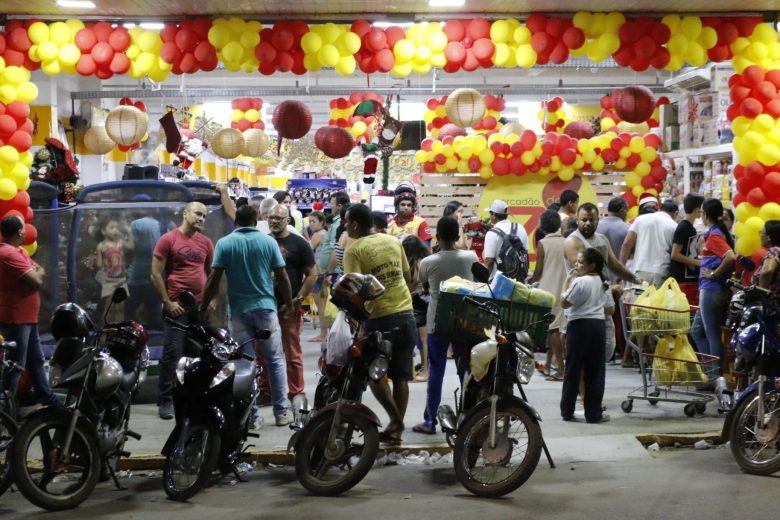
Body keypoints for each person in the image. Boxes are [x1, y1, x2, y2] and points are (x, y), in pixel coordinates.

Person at [201, 204, 295, 426]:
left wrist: (203, 306)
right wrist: (290, 303)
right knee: (275, 361)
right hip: (265, 308)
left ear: (236, 222)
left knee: (244, 364)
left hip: (239, 312)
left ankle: (251, 416)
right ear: (256, 220)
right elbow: (282, 277)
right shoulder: (268, 242)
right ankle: (281, 412)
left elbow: (213, 279)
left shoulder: (225, 243)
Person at [343, 203, 417, 445]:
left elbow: (353, 290)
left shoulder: (354, 249)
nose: (345, 226)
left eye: (347, 222)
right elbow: (407, 278)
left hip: (380, 318)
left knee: (374, 375)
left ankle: (395, 420)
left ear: (354, 224)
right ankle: (395, 432)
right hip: (406, 314)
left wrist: (356, 321)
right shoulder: (393, 241)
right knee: (401, 375)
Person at [412, 216, 478, 435]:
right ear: (458, 237)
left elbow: (422, 285)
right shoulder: (470, 257)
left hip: (436, 324)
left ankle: (430, 421)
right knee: (464, 371)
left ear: (437, 238)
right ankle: (467, 417)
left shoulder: (429, 262)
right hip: (463, 322)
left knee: (436, 370)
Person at [151, 201, 215, 420]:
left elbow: (211, 273)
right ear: (185, 214)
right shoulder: (168, 239)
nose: (201, 219)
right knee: (172, 354)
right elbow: (155, 273)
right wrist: (168, 302)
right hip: (176, 306)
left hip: (198, 306)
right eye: (198, 214)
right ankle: (166, 400)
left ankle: (193, 397)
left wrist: (211, 298)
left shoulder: (206, 243)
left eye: (204, 216)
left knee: (197, 355)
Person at [564, 203, 638, 366]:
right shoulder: (572, 242)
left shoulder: (602, 239)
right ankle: (581, 388)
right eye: (584, 220)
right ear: (577, 220)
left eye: (591, 220)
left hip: (602, 304)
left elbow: (615, 265)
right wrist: (610, 287)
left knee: (604, 351)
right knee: (581, 357)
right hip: (581, 306)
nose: (588, 223)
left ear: (598, 220)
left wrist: (635, 279)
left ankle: (591, 387)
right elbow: (584, 271)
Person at [0, 215, 58, 410]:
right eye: (24, 228)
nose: (26, 231)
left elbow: (38, 270)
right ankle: (8, 409)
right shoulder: (9, 254)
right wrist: (37, 272)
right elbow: (38, 280)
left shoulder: (19, 252)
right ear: (18, 232)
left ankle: (46, 396)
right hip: (17, 319)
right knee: (16, 365)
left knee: (36, 360)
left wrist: (36, 271)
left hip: (27, 318)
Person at [268, 205, 316, 414]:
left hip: (290, 308)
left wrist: (298, 298)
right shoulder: (264, 241)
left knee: (292, 352)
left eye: (278, 218)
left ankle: (296, 391)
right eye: (271, 218)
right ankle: (266, 391)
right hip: (266, 306)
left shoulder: (300, 244)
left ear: (288, 220)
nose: (274, 221)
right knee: (266, 352)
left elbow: (313, 274)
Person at [559, 248, 615, 424]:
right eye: (577, 261)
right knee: (596, 370)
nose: (577, 265)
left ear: (592, 265)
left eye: (581, 262)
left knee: (573, 368)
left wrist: (567, 281)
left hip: (578, 326)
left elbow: (564, 303)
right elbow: (610, 309)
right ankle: (593, 413)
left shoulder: (580, 282)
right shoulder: (603, 282)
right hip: (597, 326)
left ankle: (567, 411)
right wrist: (594, 305)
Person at [690, 198, 736, 372]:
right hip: (712, 289)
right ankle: (711, 374)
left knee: (711, 334)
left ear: (706, 214)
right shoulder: (716, 233)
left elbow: (730, 257)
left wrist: (713, 273)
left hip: (711, 290)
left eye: (702, 212)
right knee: (697, 332)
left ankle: (716, 376)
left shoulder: (715, 235)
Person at [531, 210, 566, 381]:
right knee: (554, 328)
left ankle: (561, 369)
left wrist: (529, 280)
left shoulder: (543, 244)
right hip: (563, 288)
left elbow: (538, 272)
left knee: (552, 330)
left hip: (548, 290)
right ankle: (547, 364)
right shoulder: (567, 242)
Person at [619, 197, 678, 288]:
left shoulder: (641, 219)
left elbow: (627, 244)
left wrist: (621, 269)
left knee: (638, 301)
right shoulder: (674, 226)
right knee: (656, 301)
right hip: (661, 272)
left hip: (640, 269)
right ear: (675, 214)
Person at [124, 208, 162, 329]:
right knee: (154, 312)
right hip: (156, 277)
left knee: (129, 311)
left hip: (137, 276)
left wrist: (119, 241)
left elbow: (130, 247)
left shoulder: (135, 224)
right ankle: (156, 340)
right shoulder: (160, 225)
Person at [402, 235, 431, 382]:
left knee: (419, 339)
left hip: (414, 301)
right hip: (425, 300)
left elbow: (409, 284)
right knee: (423, 339)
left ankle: (424, 371)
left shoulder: (411, 263)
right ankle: (425, 368)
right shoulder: (425, 260)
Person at [670, 193, 705, 304]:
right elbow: (675, 254)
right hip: (682, 279)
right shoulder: (683, 227)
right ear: (697, 210)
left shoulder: (690, 228)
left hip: (689, 278)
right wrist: (696, 262)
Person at [482, 199, 529, 275]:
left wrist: (484, 280)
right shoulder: (521, 228)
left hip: (499, 280)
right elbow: (525, 252)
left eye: (490, 214)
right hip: (519, 279)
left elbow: (489, 261)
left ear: (494, 216)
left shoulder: (492, 233)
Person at [95, 218, 129, 323]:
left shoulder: (120, 243)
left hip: (121, 280)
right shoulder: (101, 246)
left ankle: (118, 331)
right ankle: (106, 332)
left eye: (116, 227)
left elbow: (131, 246)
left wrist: (129, 232)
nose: (115, 230)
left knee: (120, 308)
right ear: (103, 231)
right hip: (109, 281)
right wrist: (97, 260)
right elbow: (99, 264)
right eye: (112, 227)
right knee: (108, 306)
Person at [307, 211, 329, 343]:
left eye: (313, 221)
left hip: (319, 274)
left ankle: (323, 334)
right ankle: (324, 333)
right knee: (323, 304)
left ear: (321, 222)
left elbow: (308, 250)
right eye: (309, 221)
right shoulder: (325, 233)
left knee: (321, 305)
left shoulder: (318, 234)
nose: (311, 224)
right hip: (323, 272)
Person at [596, 198, 630, 274]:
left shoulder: (596, 227)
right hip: (620, 274)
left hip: (599, 273)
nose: (627, 213)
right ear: (622, 210)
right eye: (627, 210)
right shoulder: (628, 229)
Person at [755, 220, 780, 317]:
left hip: (771, 306)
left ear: (769, 237)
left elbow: (767, 271)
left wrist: (761, 293)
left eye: (761, 232)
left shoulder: (774, 251)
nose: (760, 235)